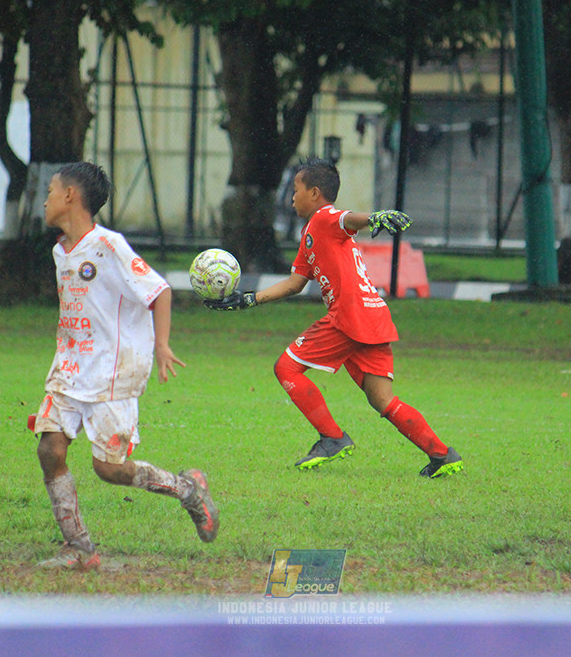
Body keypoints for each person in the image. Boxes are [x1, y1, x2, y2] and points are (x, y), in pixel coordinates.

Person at [205, 157, 463, 478]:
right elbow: (295, 283)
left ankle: (332, 438)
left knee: (286, 367)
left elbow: (348, 219)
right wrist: (248, 299)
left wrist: (374, 218)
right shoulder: (311, 234)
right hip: (374, 315)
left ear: (314, 193)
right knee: (382, 400)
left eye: (296, 190)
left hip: (350, 316)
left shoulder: (324, 217)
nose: (292, 197)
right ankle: (442, 455)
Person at [31, 162, 218, 571]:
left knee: (108, 469)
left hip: (113, 371)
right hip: (70, 367)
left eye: (50, 190)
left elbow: (159, 290)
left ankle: (188, 489)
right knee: (50, 448)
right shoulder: (60, 250)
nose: (44, 199)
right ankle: (79, 548)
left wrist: (162, 345)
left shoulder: (108, 245)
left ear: (70, 197)